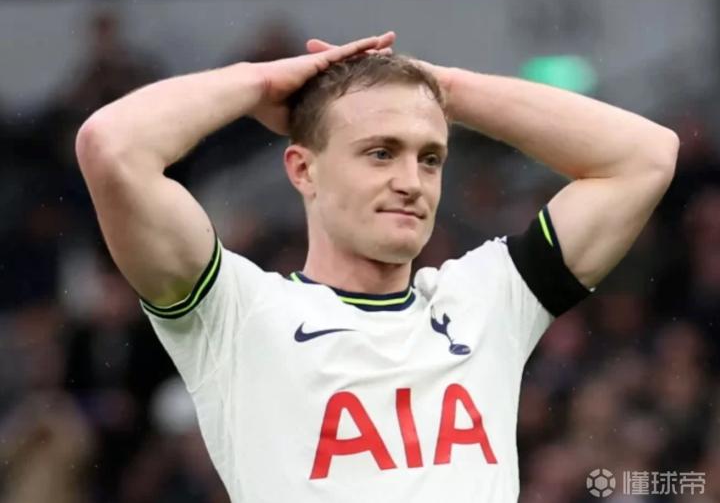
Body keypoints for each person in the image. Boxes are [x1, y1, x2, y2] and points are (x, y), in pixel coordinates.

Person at [75, 31, 678, 502]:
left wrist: (443, 89)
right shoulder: (236, 314)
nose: (411, 181)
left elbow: (647, 156)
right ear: (303, 169)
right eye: (381, 153)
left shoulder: (488, 300)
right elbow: (112, 146)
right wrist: (260, 82)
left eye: (431, 158)